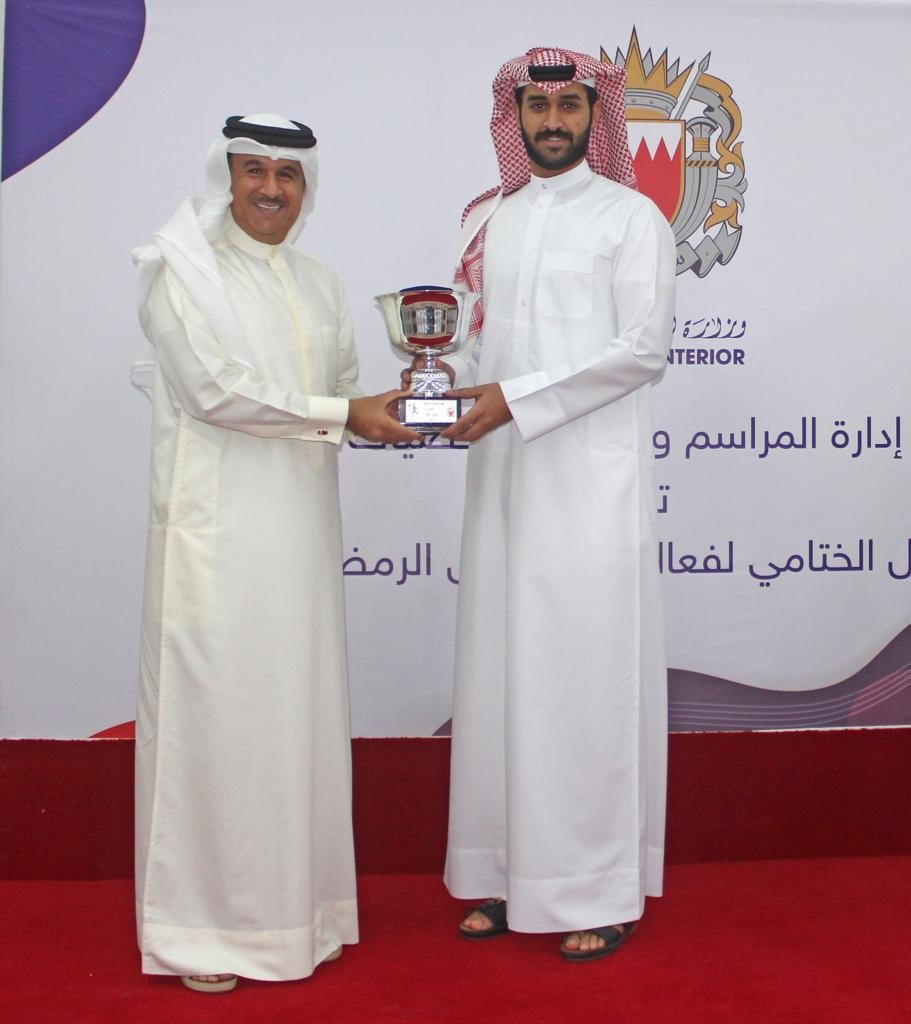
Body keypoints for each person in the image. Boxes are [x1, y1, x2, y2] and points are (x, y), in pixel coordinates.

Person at [131, 113, 419, 993]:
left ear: (306, 187)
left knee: (294, 720)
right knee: (218, 725)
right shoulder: (177, 270)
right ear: (224, 178)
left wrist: (399, 409)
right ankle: (204, 933)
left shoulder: (319, 281)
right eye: (252, 170)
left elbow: (338, 393)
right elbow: (214, 393)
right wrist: (345, 414)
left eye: (286, 175)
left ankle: (301, 917)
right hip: (215, 543)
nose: (269, 188)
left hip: (300, 536)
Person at [437, 47, 677, 961]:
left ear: (593, 115)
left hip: (588, 484)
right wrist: (441, 388)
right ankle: (507, 874)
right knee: (500, 674)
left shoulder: (631, 217)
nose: (550, 121)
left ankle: (593, 887)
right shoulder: (486, 220)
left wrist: (516, 399)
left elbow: (640, 350)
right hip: (501, 479)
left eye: (567, 105)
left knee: (582, 677)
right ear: (514, 117)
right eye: (534, 107)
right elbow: (470, 342)